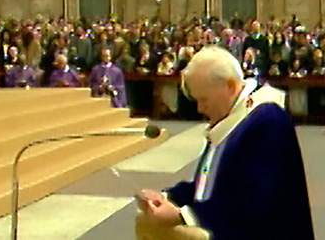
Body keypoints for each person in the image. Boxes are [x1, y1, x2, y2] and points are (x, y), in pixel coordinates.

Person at [135, 46, 314, 240]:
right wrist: (167, 198)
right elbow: (211, 185)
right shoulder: (233, 117)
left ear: (230, 86)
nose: (200, 108)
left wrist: (183, 216)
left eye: (204, 100)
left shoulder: (266, 120)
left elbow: (255, 203)